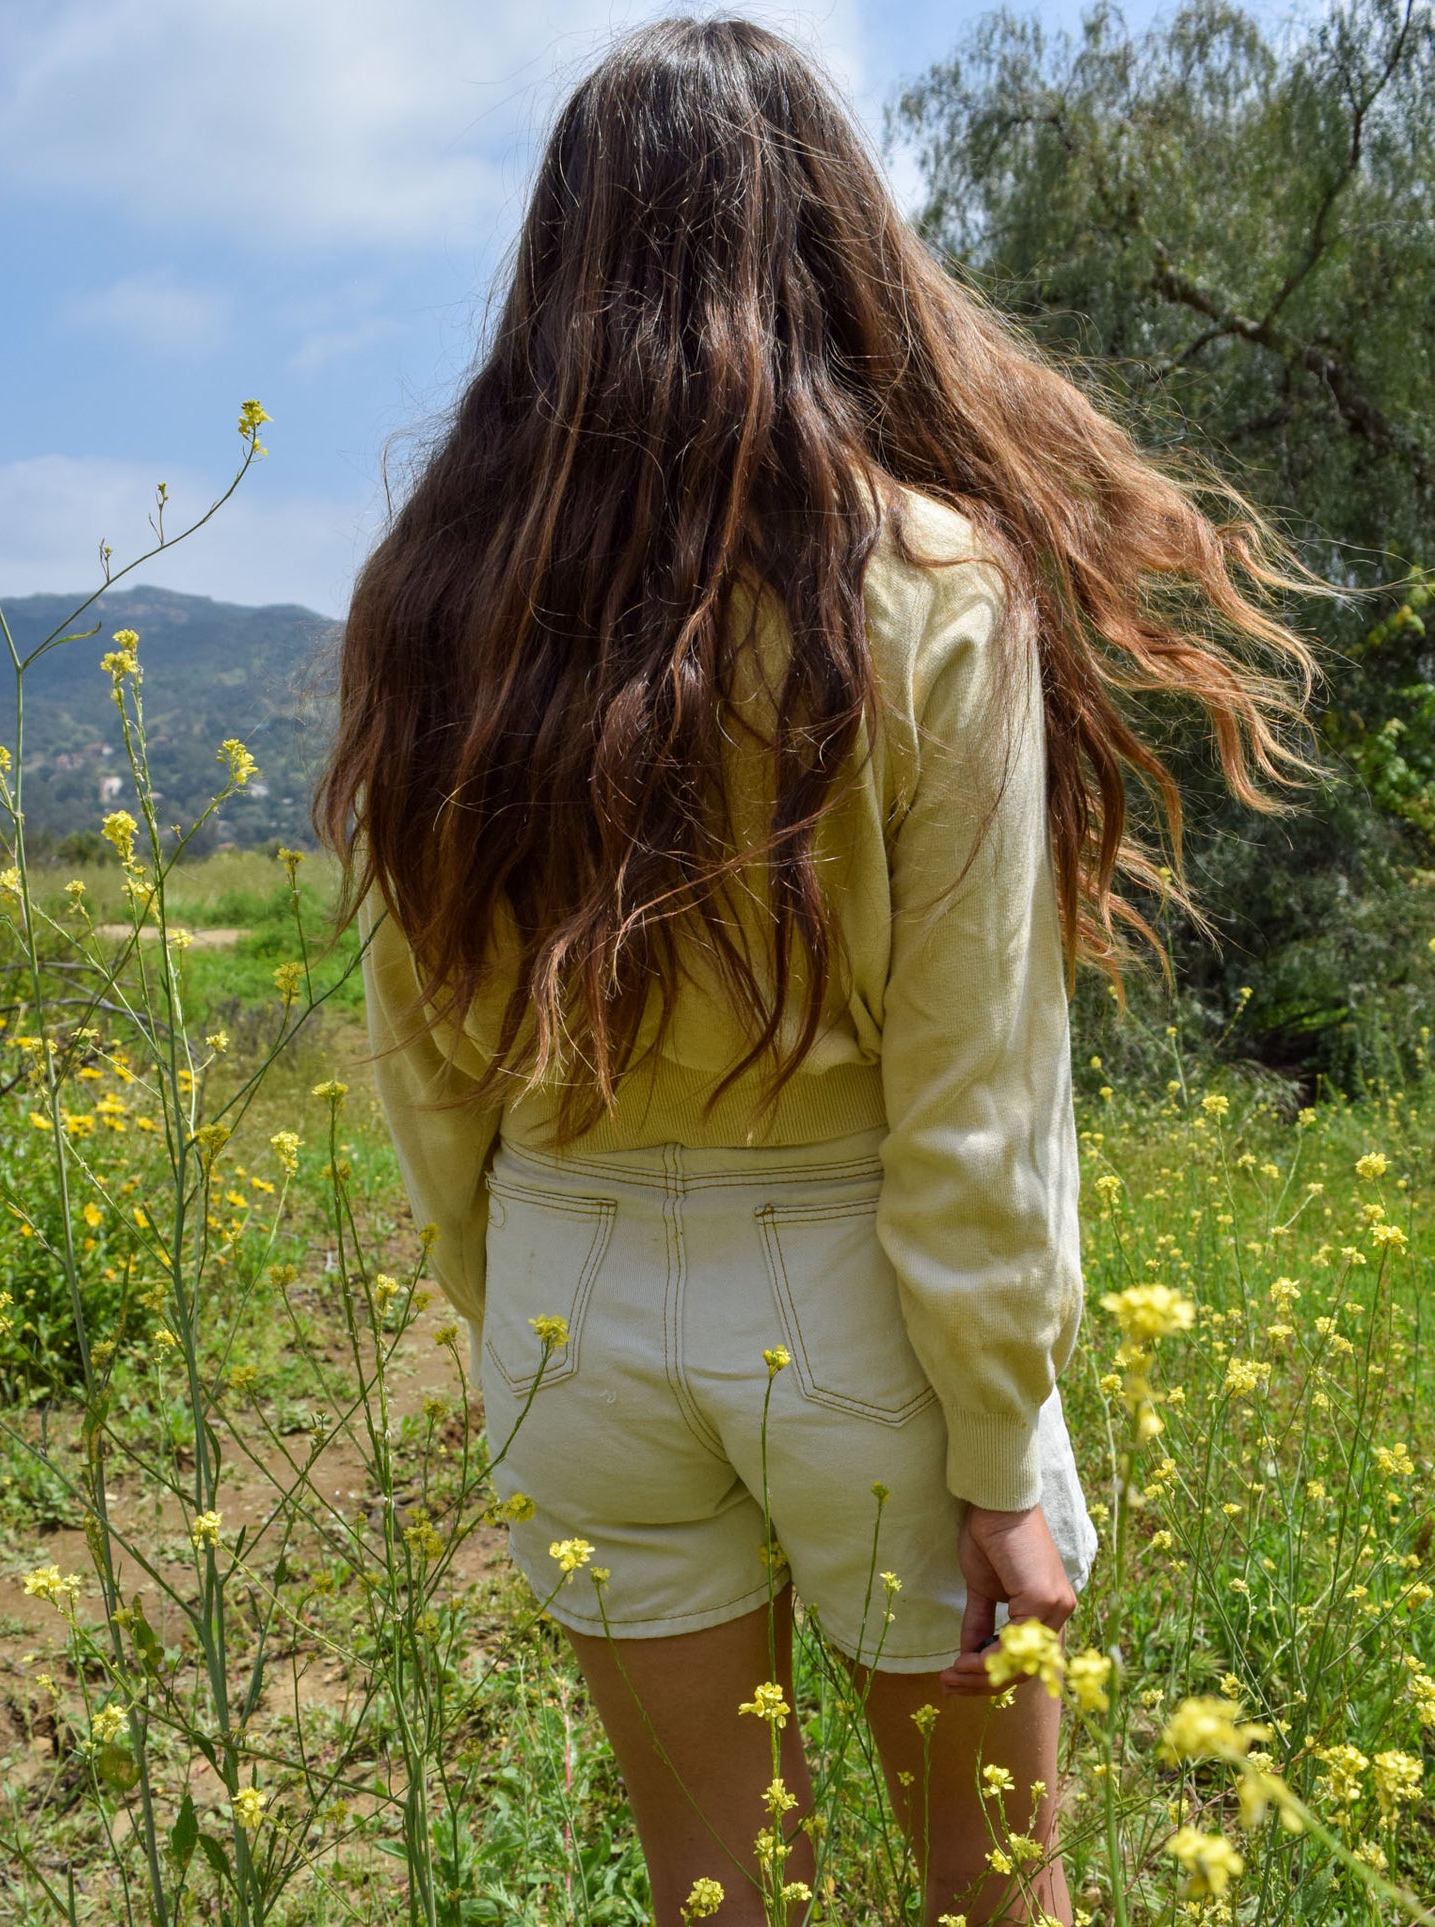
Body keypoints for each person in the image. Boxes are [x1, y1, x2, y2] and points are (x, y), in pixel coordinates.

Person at [314, 17, 1324, 1923]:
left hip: (565, 1288)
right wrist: (1000, 1443)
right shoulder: (930, 584)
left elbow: (421, 1047)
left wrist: (514, 1297)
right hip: (861, 1296)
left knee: (711, 1895)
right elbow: (976, 1084)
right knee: (985, 1902)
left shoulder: (436, 594)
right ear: (839, 252)